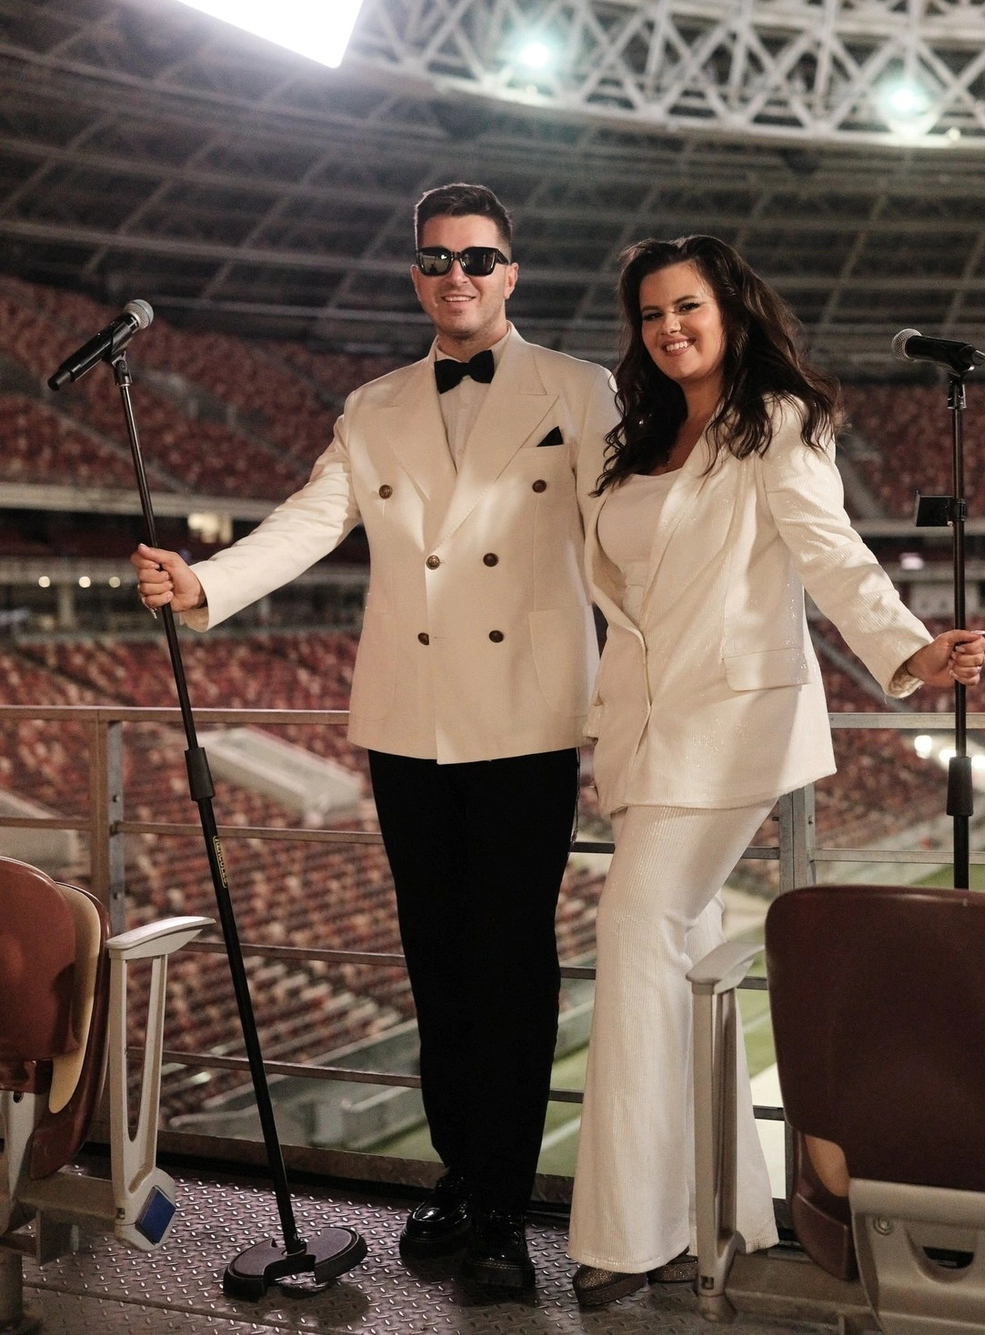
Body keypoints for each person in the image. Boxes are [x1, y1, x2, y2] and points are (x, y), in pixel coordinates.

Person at [131, 183, 616, 1296]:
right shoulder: (374, 404)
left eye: (478, 258)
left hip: (529, 720)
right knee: (435, 962)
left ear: (511, 272)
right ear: (416, 275)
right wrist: (206, 582)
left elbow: (624, 533)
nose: (458, 276)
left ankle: (504, 1208)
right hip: (407, 723)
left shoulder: (579, 388)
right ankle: (459, 1175)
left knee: (512, 966)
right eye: (438, 259)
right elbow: (312, 518)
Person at [567, 235, 985, 1309]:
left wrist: (908, 650)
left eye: (688, 306)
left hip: (733, 723)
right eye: (652, 313)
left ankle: (628, 1234)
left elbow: (829, 552)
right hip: (642, 730)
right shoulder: (636, 438)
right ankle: (719, 1209)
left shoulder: (778, 421)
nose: (669, 327)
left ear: (731, 309)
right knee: (681, 948)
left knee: (635, 929)